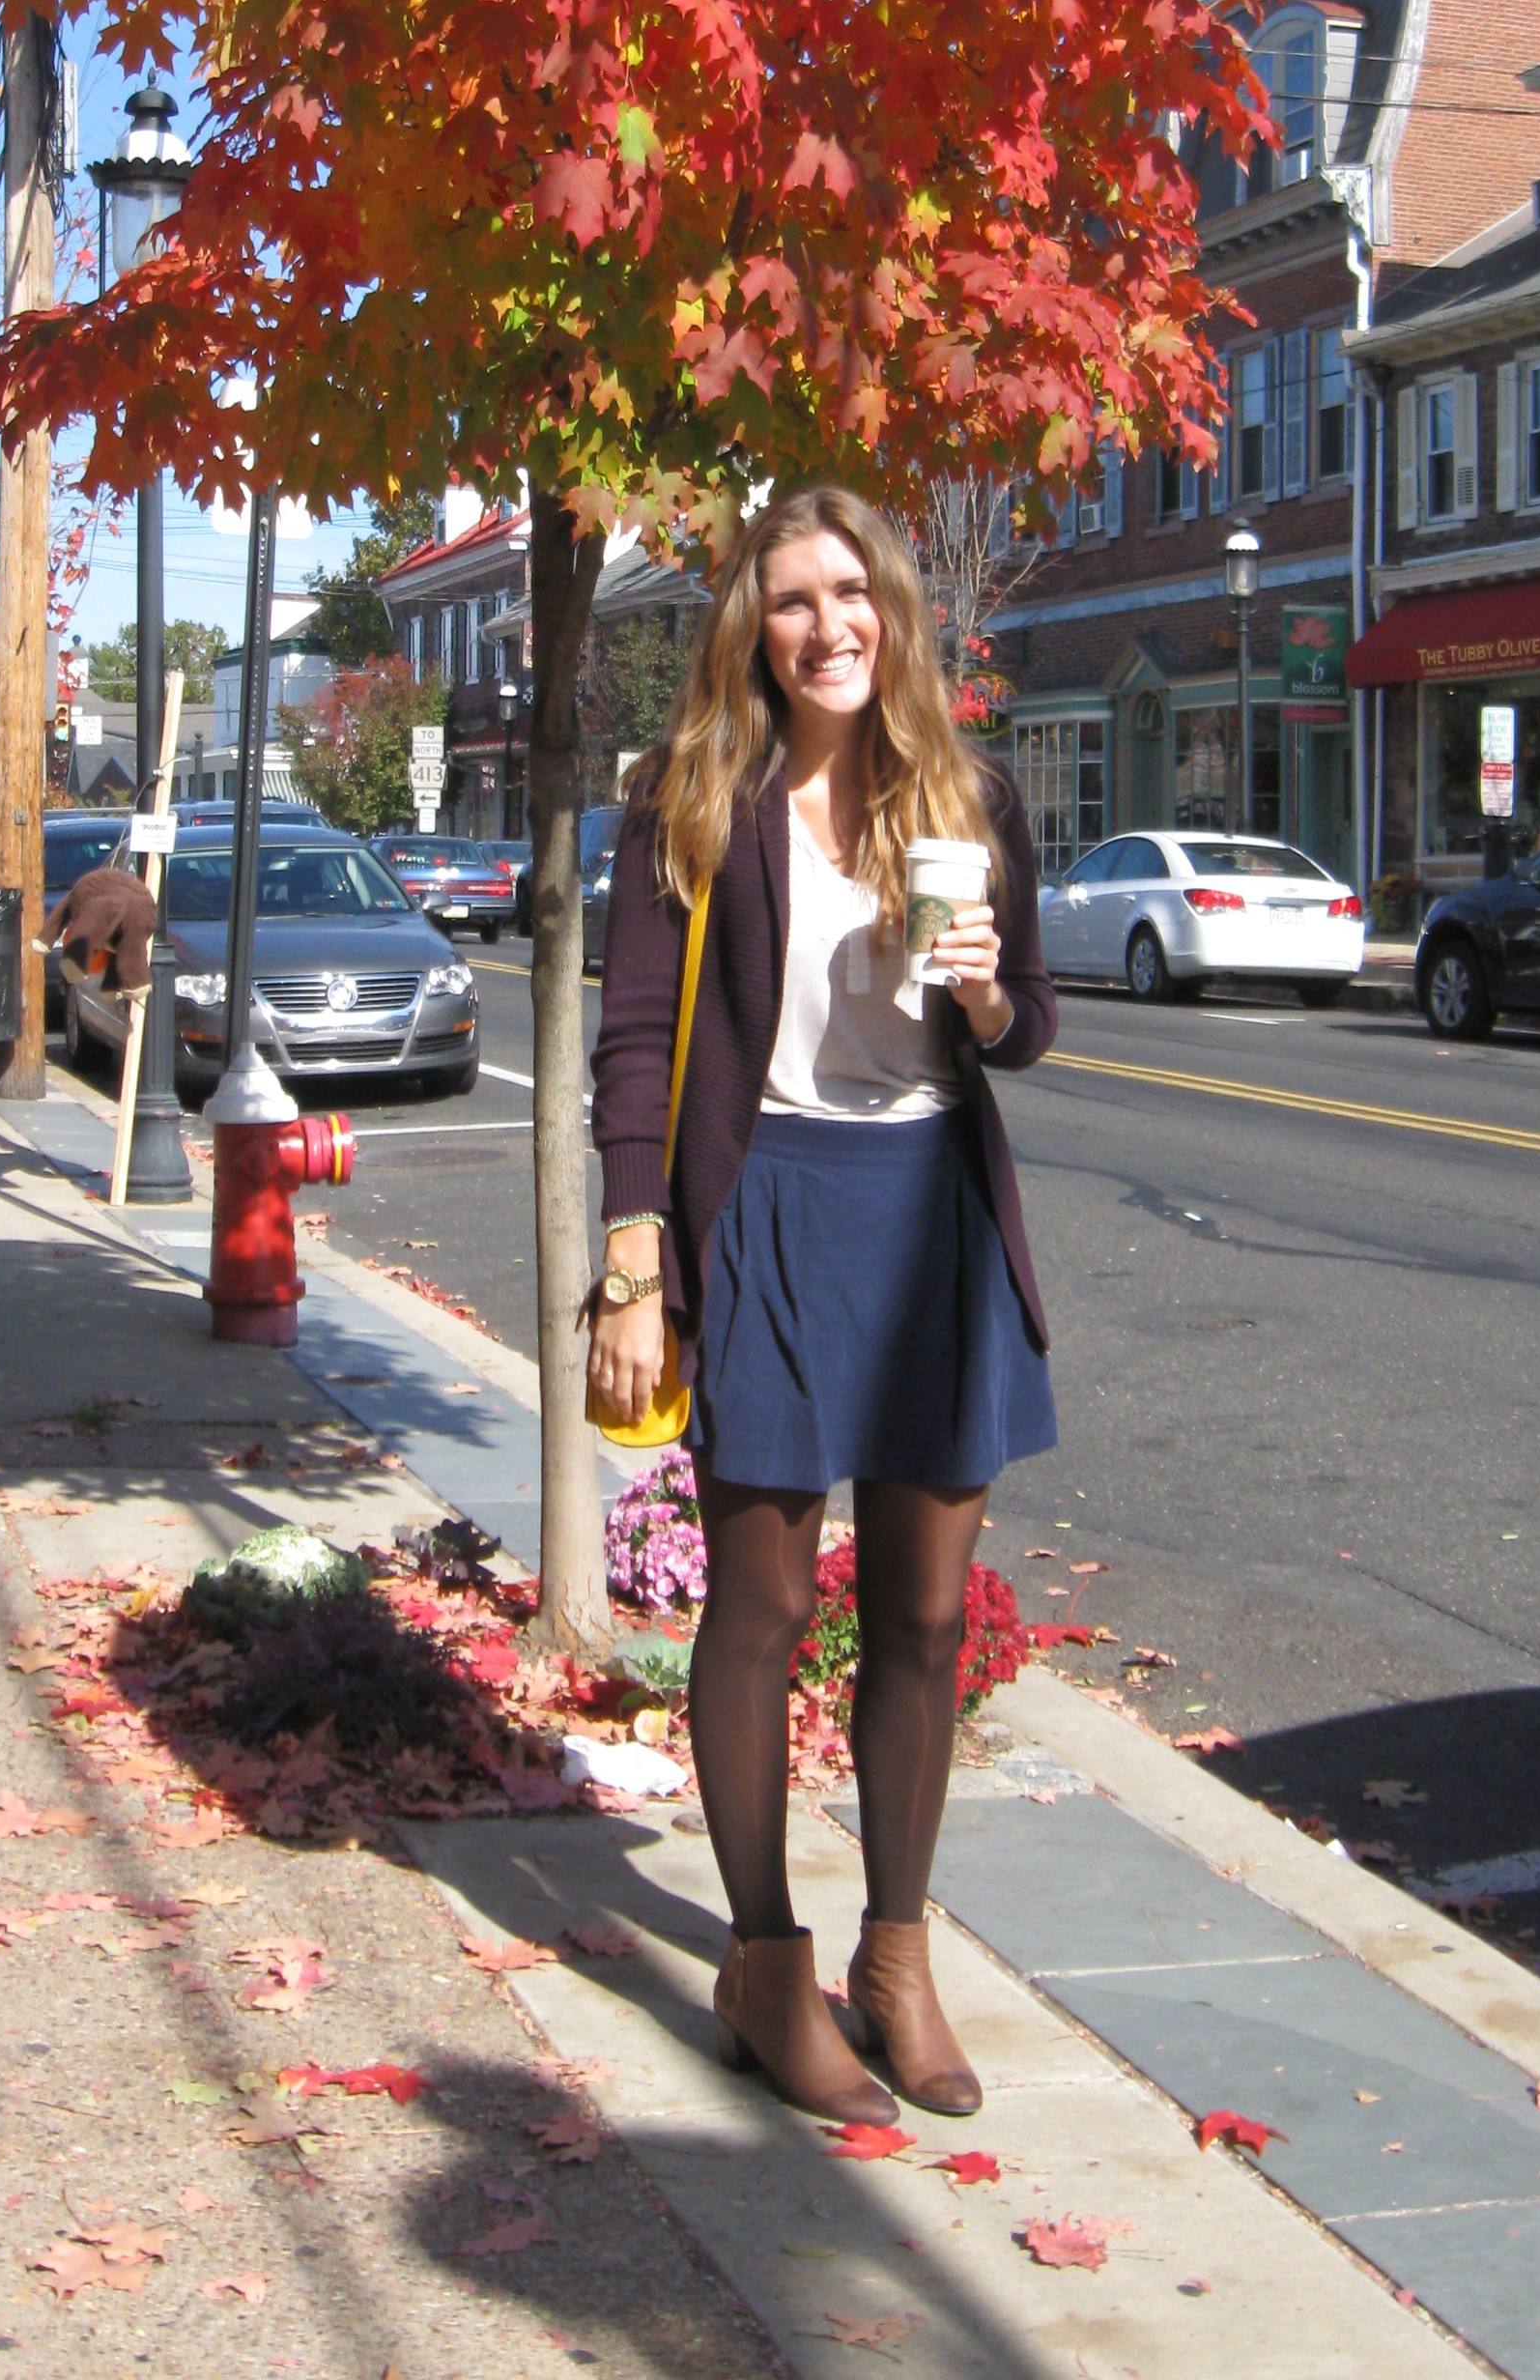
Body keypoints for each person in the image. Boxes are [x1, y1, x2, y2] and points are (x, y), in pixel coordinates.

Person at [588, 485, 1057, 2127]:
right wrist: (635, 1265)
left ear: (893, 611)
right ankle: (763, 1963)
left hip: (931, 1210)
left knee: (923, 1617)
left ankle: (897, 1960)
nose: (826, 626)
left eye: (850, 594)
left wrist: (984, 993)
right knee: (764, 1602)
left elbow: (1026, 1029)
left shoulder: (968, 794)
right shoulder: (690, 798)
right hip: (769, 1204)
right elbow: (631, 1042)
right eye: (792, 599)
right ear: (752, 624)